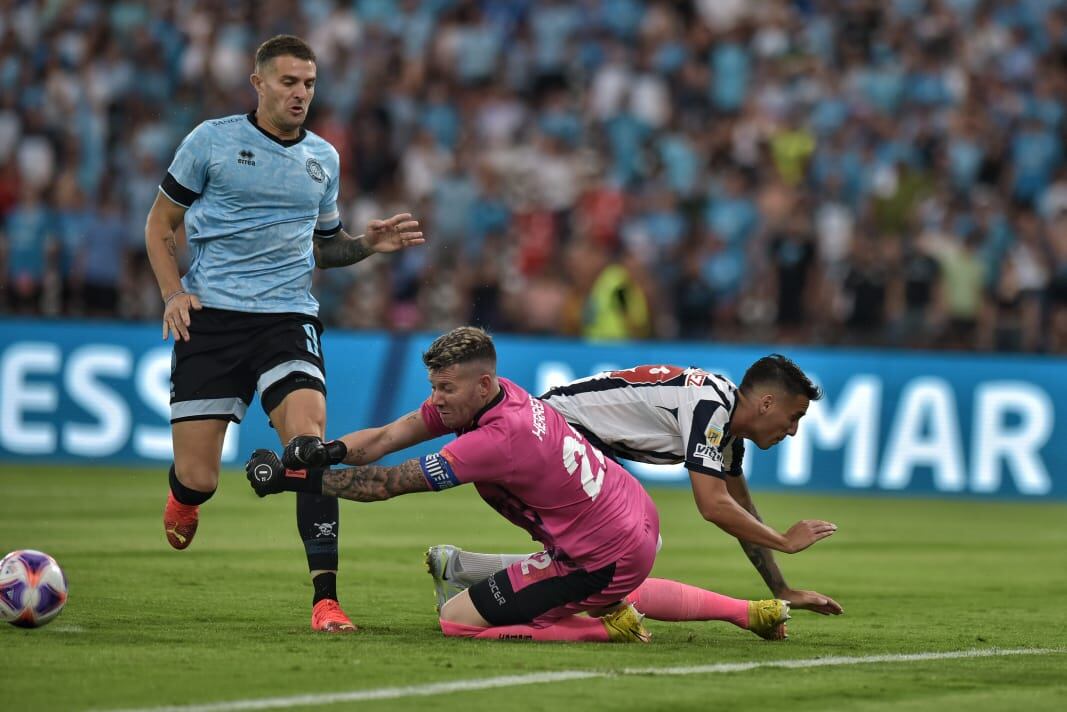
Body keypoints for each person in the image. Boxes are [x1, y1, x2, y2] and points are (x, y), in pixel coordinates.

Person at [244, 327, 793, 643]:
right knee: (602, 577)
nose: (436, 399)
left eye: (445, 388)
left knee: (456, 622)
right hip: (634, 516)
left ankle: (606, 629)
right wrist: (330, 450)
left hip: (597, 554)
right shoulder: (497, 394)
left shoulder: (496, 438)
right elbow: (390, 436)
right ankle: (743, 611)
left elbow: (388, 482)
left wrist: (293, 477)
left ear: (480, 383)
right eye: (433, 386)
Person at [144, 35, 424, 633]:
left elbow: (326, 247)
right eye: (290, 82)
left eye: (310, 84)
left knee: (310, 446)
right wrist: (173, 294)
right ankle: (186, 497)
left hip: (287, 318)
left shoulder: (324, 158)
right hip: (212, 318)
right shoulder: (211, 141)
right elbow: (159, 224)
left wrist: (368, 245)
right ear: (260, 83)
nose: (301, 94)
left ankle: (325, 599)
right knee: (198, 476)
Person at [426, 355, 844, 624]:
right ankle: (473, 583)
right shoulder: (711, 407)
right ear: (767, 403)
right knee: (625, 549)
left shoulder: (723, 428)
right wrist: (786, 541)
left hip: (561, 435)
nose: (792, 430)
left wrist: (781, 588)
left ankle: (461, 568)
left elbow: (740, 511)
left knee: (621, 550)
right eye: (795, 416)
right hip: (552, 434)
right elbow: (713, 506)